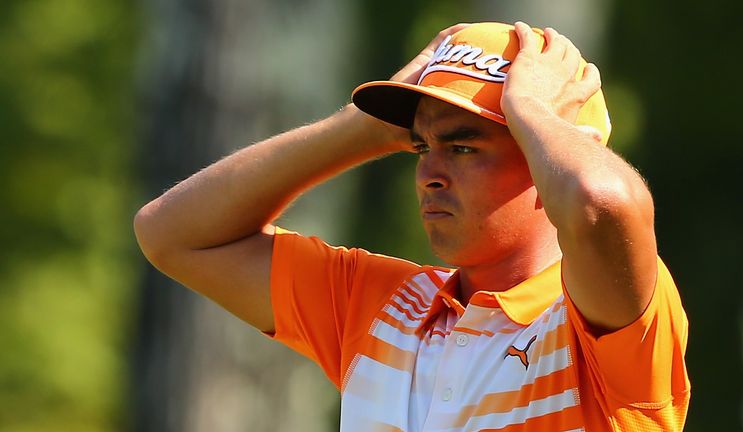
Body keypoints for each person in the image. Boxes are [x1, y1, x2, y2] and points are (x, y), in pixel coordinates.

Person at [134, 21, 690, 431]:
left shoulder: (604, 326)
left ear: (549, 158)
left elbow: (601, 201)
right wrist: (367, 129)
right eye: (422, 145)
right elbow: (170, 232)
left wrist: (535, 112)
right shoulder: (380, 306)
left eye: (464, 146)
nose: (427, 173)